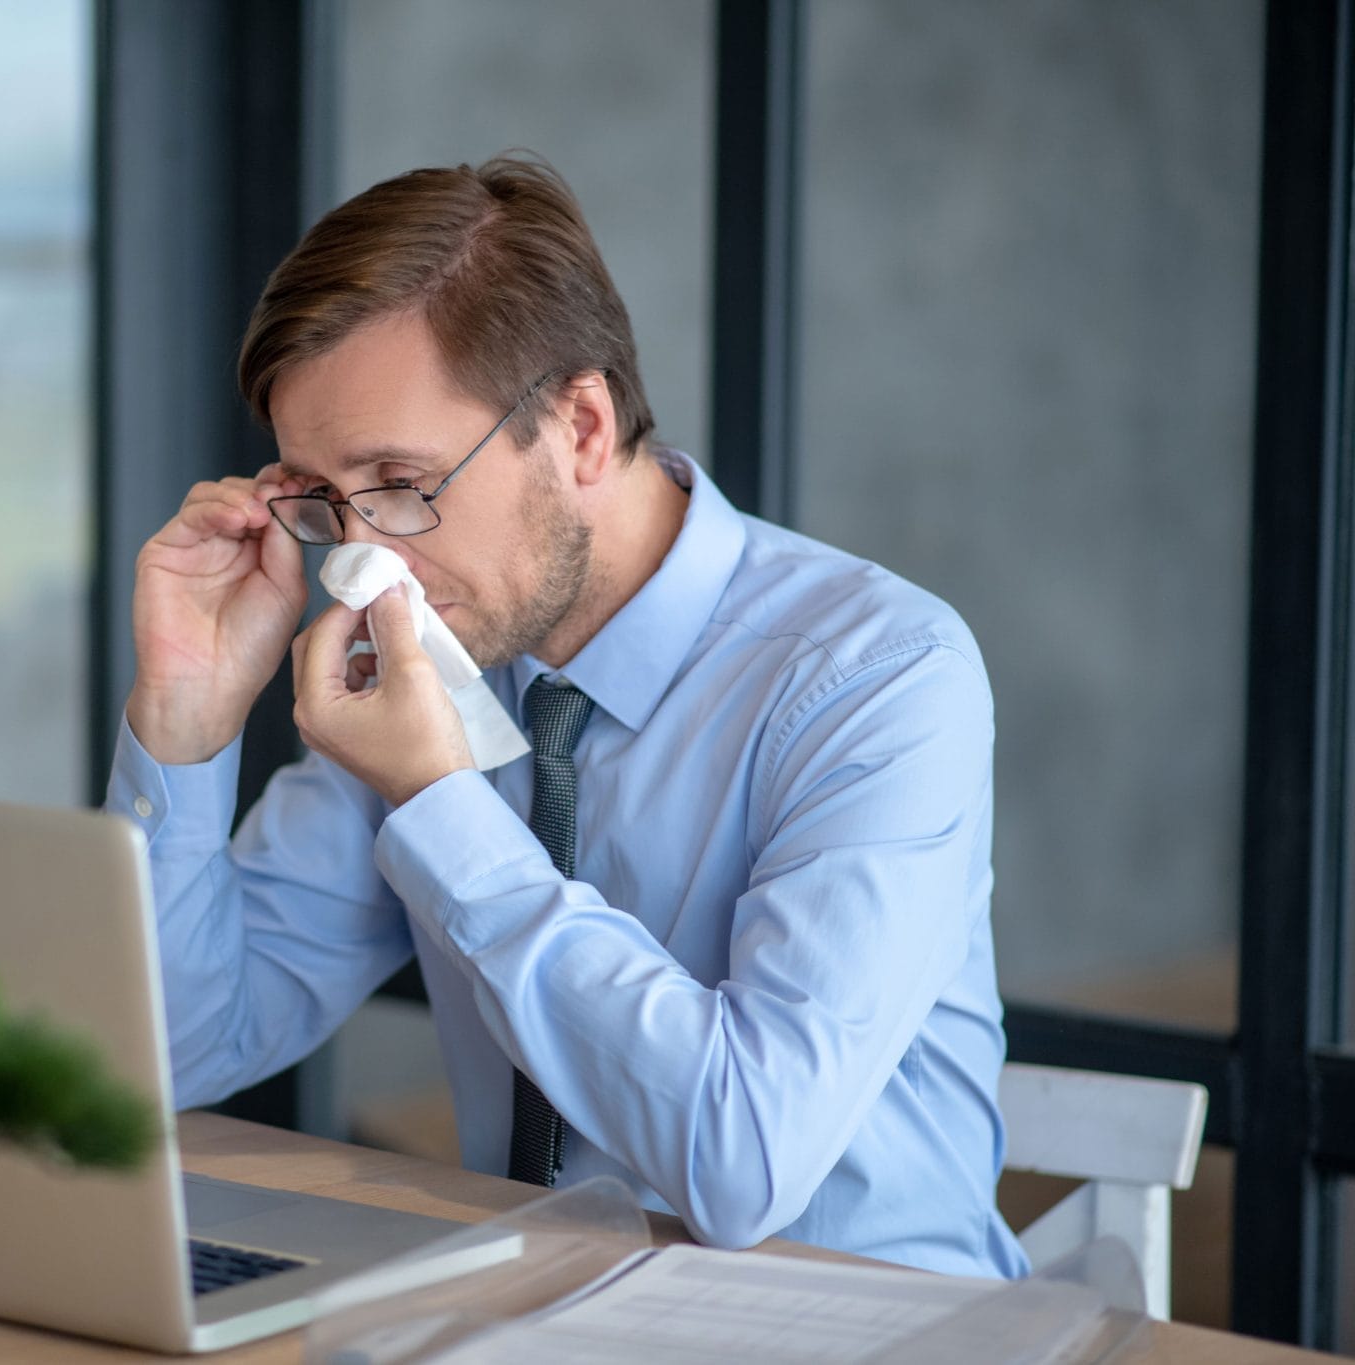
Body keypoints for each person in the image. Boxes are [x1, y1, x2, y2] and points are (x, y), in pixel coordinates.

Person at [103, 155, 1028, 1278]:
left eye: (400, 483)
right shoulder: (426, 657)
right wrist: (184, 716)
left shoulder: (879, 676)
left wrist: (440, 804)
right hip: (533, 1307)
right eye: (322, 499)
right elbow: (176, 1049)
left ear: (582, 427)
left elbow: (744, 1158)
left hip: (866, 1325)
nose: (357, 558)